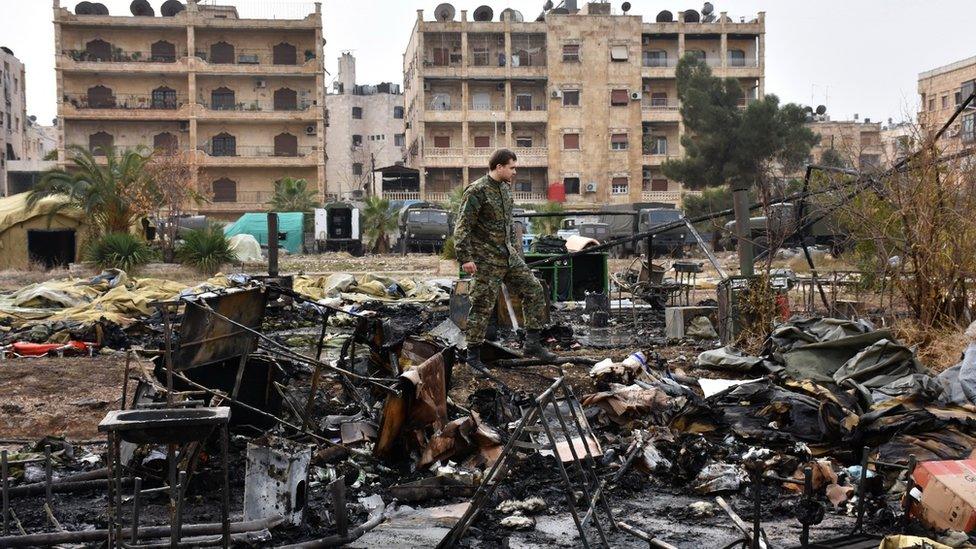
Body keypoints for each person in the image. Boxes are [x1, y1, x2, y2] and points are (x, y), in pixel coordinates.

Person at [454, 148, 555, 374]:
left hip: (508, 257)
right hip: (486, 260)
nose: (515, 171)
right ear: (499, 167)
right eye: (512, 167)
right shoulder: (477, 191)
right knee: (482, 305)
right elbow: (462, 227)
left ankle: (532, 343)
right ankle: (473, 357)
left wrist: (515, 252)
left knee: (534, 289)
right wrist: (465, 258)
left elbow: (508, 226)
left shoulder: (505, 190)